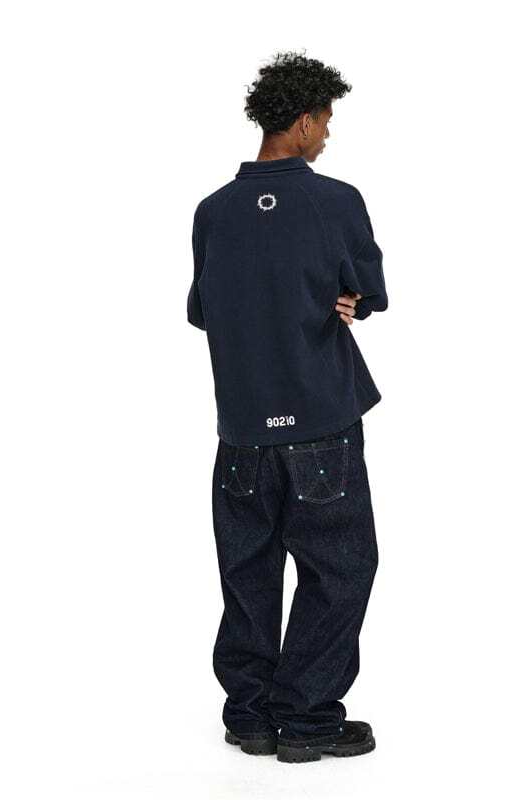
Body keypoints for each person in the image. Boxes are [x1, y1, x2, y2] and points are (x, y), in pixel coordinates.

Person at [187, 52, 388, 763]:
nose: (327, 134)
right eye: (325, 121)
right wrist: (344, 299)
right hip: (320, 420)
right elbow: (368, 292)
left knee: (248, 569)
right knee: (339, 569)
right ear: (303, 121)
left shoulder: (212, 212)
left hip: (241, 427)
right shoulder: (336, 201)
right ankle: (305, 718)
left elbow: (203, 310)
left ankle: (249, 714)